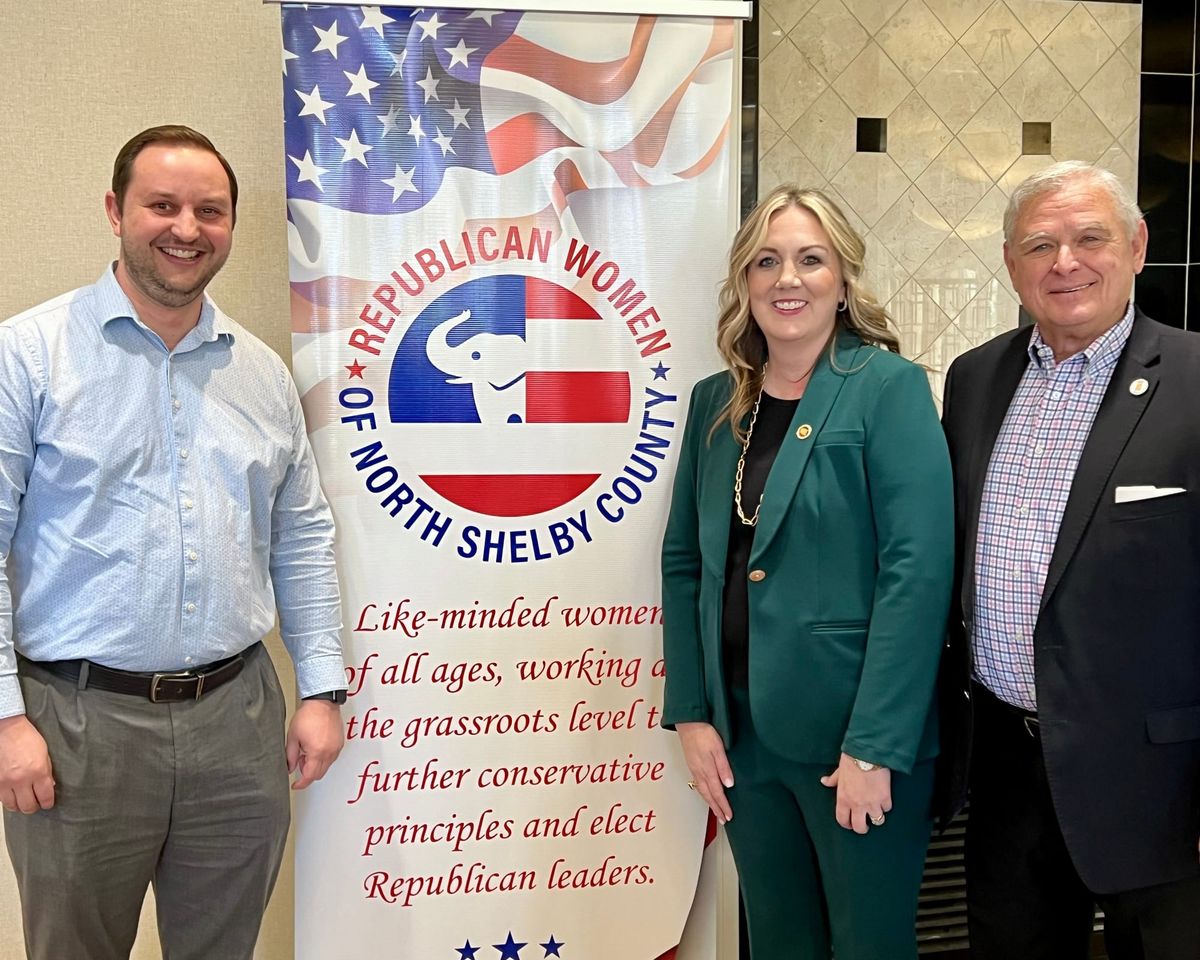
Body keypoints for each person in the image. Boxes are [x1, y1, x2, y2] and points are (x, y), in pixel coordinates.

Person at [0, 125, 347, 960]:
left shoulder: (260, 372)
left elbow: (301, 534)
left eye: (210, 210)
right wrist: (7, 718)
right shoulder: (28, 357)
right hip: (78, 723)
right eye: (163, 205)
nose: (186, 228)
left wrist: (324, 687)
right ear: (116, 211)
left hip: (239, 720)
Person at [660, 184, 953, 959]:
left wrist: (876, 747)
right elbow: (686, 563)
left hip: (851, 744)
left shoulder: (887, 389)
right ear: (745, 282)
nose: (787, 279)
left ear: (844, 280)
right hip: (742, 741)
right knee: (781, 944)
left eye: (810, 259)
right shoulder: (714, 403)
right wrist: (693, 714)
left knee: (868, 947)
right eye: (768, 261)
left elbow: (917, 572)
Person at [940, 160, 1200, 960]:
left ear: (1137, 245)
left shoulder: (1195, 379)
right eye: (1039, 245)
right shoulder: (975, 377)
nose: (1065, 263)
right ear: (1011, 263)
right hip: (1008, 769)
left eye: (1089, 238)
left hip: (1160, 783)